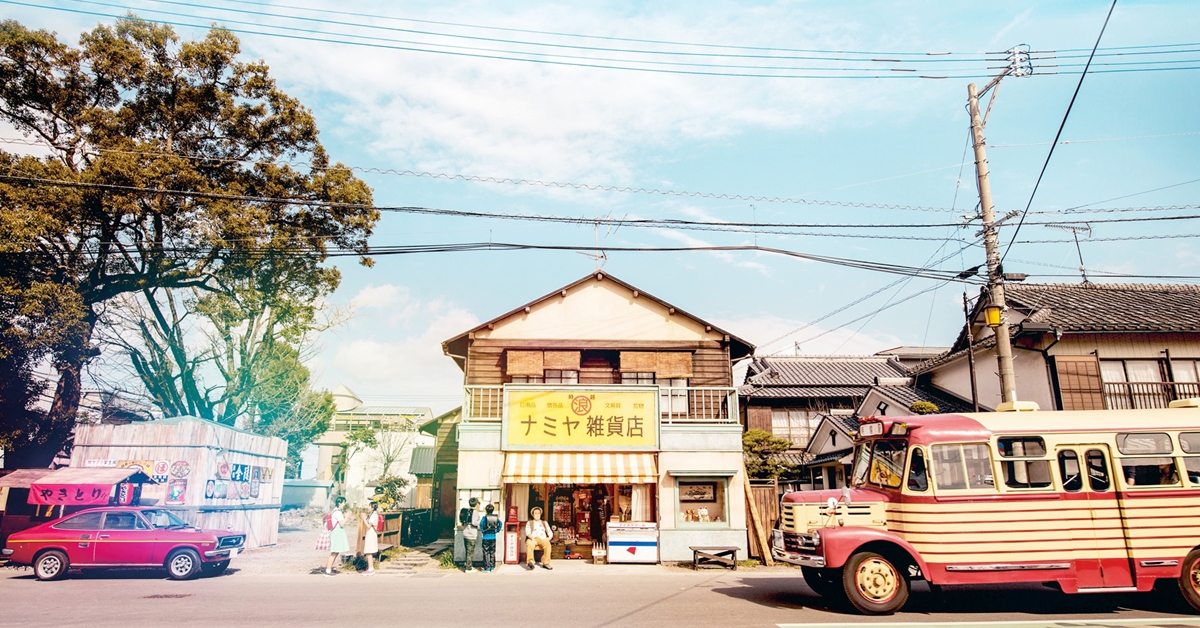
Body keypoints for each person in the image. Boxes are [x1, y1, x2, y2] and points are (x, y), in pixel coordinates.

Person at [324, 496, 349, 577]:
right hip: (337, 532)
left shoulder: (335, 511)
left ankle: (328, 569)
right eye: (343, 503)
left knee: (335, 552)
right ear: (339, 503)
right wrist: (347, 517)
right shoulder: (337, 512)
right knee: (334, 552)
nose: (344, 504)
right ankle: (328, 571)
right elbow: (342, 524)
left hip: (336, 532)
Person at [524, 506, 553, 570]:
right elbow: (528, 532)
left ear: (540, 514)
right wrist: (532, 539)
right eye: (535, 513)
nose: (537, 515)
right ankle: (530, 562)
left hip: (542, 539)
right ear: (533, 515)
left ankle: (546, 563)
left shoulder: (544, 523)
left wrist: (549, 538)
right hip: (532, 538)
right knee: (529, 544)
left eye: (538, 513)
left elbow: (549, 531)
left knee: (548, 544)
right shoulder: (529, 523)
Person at [461, 497, 482, 572]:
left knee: (467, 551)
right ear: (476, 504)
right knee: (470, 552)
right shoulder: (475, 512)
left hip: (465, 533)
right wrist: (479, 522)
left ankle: (467, 564)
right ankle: (468, 569)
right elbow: (474, 523)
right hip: (471, 534)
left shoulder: (466, 511)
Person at [479, 504, 501, 572]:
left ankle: (487, 567)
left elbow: (481, 525)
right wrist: (497, 530)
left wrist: (483, 531)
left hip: (485, 537)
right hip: (493, 537)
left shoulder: (484, 518)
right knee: (492, 552)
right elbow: (500, 524)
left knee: (486, 552)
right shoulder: (495, 518)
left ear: (486, 510)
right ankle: (492, 566)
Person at [360, 501, 380, 576]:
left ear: (372, 507)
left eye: (369, 506)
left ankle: (371, 568)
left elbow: (368, 526)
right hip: (370, 533)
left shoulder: (374, 515)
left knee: (369, 551)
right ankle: (370, 568)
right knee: (369, 551)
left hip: (371, 533)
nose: (368, 507)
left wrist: (364, 519)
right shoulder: (372, 515)